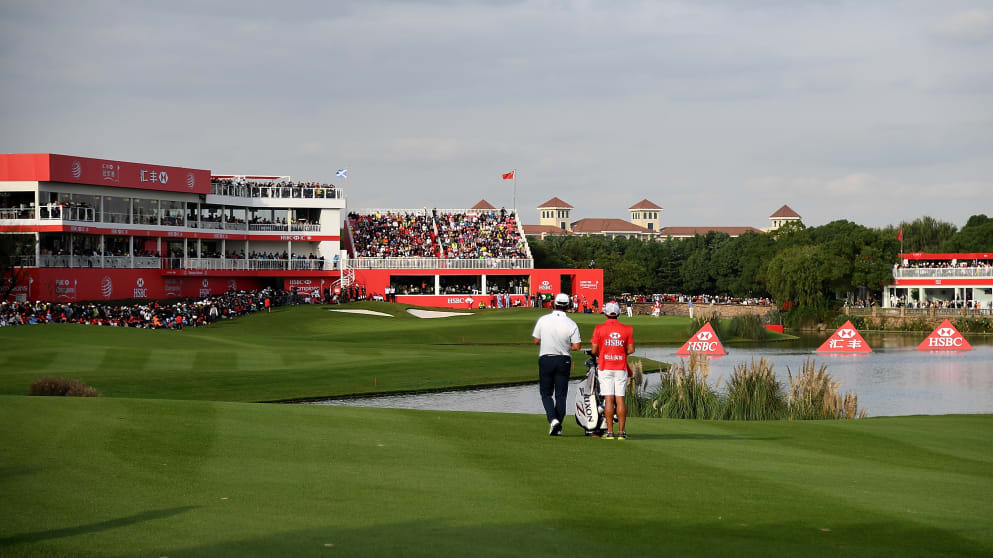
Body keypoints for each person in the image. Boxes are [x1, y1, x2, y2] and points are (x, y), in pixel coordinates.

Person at [532, 292, 581, 436]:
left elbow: (536, 340)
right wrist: (565, 346)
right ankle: (557, 425)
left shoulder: (543, 319)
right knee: (561, 395)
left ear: (554, 303)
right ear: (568, 306)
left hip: (546, 358)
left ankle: (553, 420)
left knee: (546, 394)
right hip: (563, 360)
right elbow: (577, 346)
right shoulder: (571, 323)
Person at [590, 301, 635, 440]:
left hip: (605, 366)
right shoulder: (627, 329)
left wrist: (603, 353)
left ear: (605, 313)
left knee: (608, 399)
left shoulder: (599, 328)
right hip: (620, 366)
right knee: (620, 399)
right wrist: (620, 352)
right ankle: (621, 433)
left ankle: (610, 432)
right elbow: (631, 349)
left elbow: (594, 350)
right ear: (618, 313)